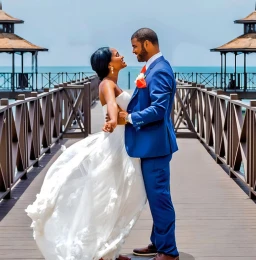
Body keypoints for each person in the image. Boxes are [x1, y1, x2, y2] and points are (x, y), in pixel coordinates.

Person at [25, 47, 147, 260]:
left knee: (118, 197)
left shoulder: (112, 83)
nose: (122, 56)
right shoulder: (107, 84)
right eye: (117, 55)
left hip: (123, 145)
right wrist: (111, 119)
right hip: (114, 148)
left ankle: (108, 248)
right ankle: (99, 251)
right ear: (110, 64)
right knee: (109, 197)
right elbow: (111, 105)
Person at [119, 28, 179, 260]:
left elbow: (159, 109)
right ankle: (158, 242)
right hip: (151, 144)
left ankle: (169, 251)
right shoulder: (152, 68)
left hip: (156, 145)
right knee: (156, 196)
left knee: (160, 196)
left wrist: (130, 118)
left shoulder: (160, 70)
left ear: (146, 44)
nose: (133, 51)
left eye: (135, 46)